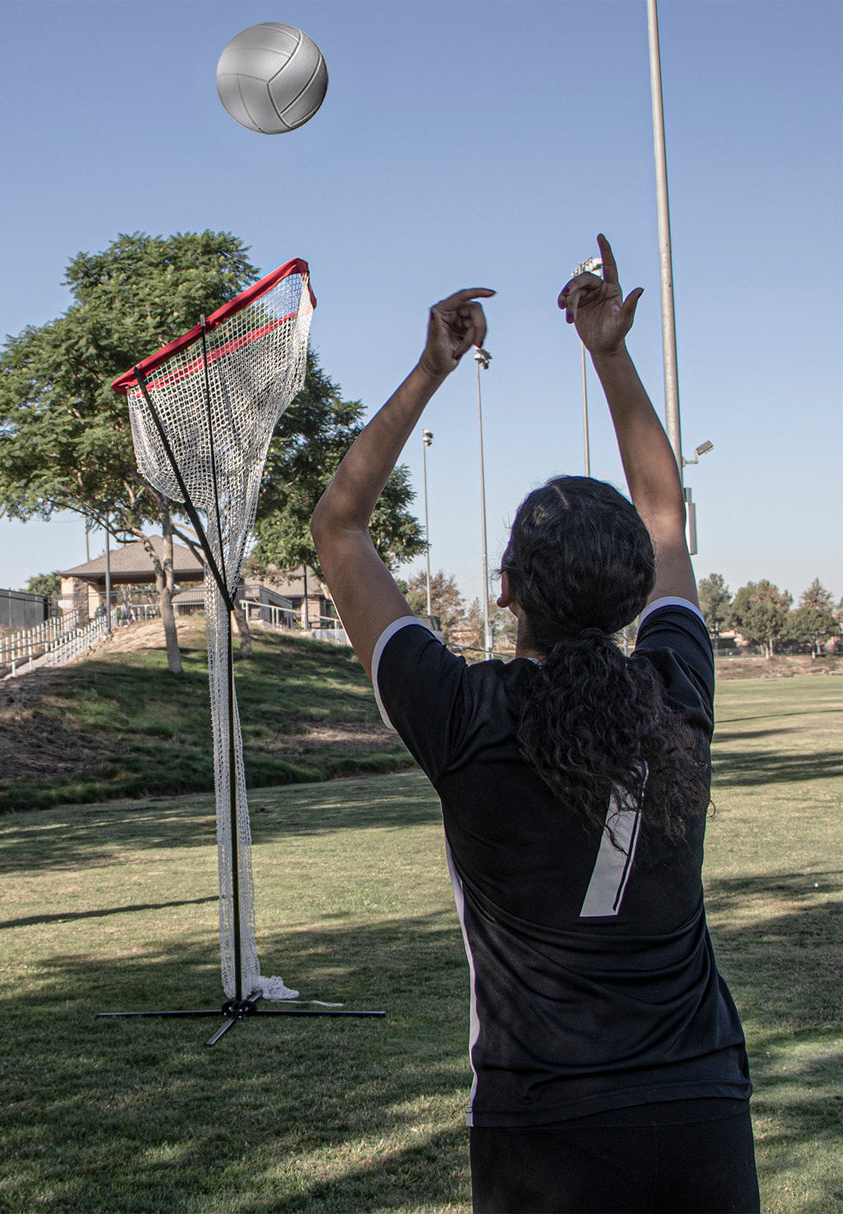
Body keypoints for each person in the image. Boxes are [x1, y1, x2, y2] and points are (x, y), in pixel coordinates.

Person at [310, 236, 758, 1213]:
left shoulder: (461, 713)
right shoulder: (676, 688)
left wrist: (431, 368)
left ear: (505, 588)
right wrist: (609, 353)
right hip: (701, 1114)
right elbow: (665, 515)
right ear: (633, 591)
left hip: (541, 1133)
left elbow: (338, 525)